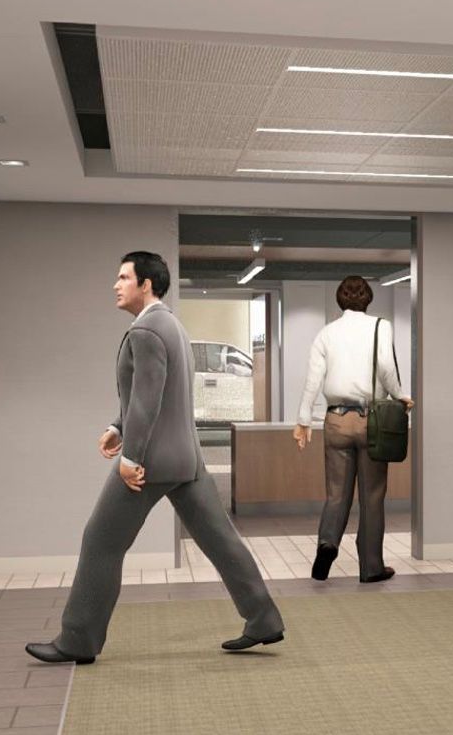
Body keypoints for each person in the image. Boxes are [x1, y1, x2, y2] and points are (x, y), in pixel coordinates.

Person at [27, 251, 285, 664]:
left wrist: (130, 457)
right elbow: (155, 395)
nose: (116, 285)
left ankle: (77, 638)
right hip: (187, 458)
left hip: (153, 461)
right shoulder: (172, 325)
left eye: (124, 277)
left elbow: (147, 402)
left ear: (146, 284)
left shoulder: (146, 331)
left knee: (100, 542)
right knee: (220, 540)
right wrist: (118, 425)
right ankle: (263, 618)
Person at [293, 275, 414, 584]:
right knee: (372, 496)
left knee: (336, 493)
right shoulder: (380, 327)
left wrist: (303, 420)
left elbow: (312, 380)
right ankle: (371, 567)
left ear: (340, 300)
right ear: (368, 298)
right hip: (371, 420)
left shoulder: (326, 333)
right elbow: (386, 367)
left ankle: (328, 543)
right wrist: (400, 395)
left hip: (335, 420)